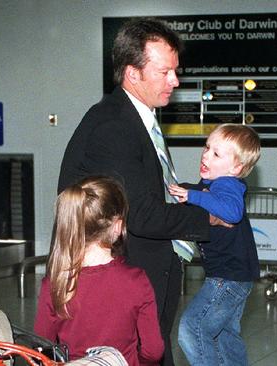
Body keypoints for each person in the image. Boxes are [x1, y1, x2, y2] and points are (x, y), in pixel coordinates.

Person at [57, 18, 220, 366]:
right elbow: (141, 214)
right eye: (165, 72)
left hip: (143, 277)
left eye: (175, 70)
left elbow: (149, 190)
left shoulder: (135, 118)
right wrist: (211, 215)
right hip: (120, 290)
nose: (175, 81)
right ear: (133, 73)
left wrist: (200, 195)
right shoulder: (114, 127)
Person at [34, 176, 164, 365]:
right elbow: (153, 351)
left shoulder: (55, 283)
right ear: (118, 226)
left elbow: (42, 347)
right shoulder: (136, 281)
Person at [168, 123, 261, 366]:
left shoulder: (227, 184)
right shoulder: (211, 184)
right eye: (206, 147)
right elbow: (198, 193)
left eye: (216, 154)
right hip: (236, 276)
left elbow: (232, 212)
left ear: (236, 168)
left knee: (192, 327)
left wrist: (191, 196)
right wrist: (187, 191)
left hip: (227, 277)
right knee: (224, 336)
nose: (206, 156)